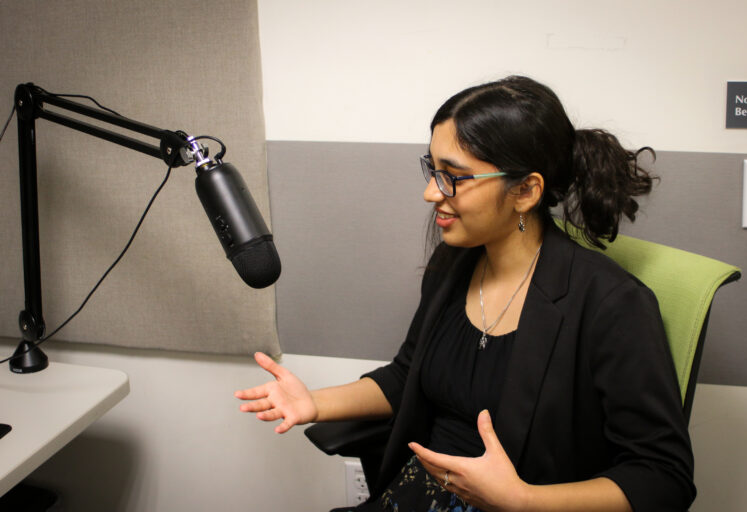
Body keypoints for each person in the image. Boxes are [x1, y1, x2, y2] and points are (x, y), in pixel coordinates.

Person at [234, 76, 696, 512]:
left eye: (453, 176)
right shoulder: (454, 265)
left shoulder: (610, 303)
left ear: (526, 191)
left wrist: (522, 500)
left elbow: (663, 477)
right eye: (432, 169)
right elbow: (407, 375)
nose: (430, 193)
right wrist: (314, 403)